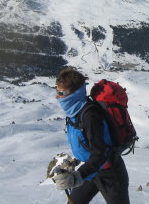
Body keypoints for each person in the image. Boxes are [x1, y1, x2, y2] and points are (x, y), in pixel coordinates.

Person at [53, 67, 130, 204]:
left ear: (73, 93)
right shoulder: (74, 113)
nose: (57, 96)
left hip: (110, 175)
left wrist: (78, 176)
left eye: (61, 92)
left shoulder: (90, 116)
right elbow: (85, 144)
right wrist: (74, 163)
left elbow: (100, 153)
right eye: (56, 90)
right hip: (91, 171)